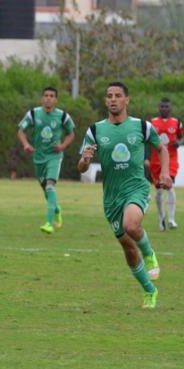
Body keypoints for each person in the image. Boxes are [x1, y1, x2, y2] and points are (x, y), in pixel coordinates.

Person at [78, 81, 171, 309]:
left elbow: (162, 148)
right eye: (109, 95)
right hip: (111, 198)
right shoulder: (95, 130)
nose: (113, 99)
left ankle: (149, 254)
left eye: (118, 95)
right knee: (128, 247)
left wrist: (166, 173)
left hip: (136, 188)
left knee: (131, 225)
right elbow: (80, 167)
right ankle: (150, 290)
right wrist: (85, 160)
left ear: (126, 100)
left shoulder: (142, 127)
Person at [17, 87, 76, 234]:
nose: (48, 98)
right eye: (46, 95)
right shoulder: (33, 114)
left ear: (56, 100)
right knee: (46, 191)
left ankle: (49, 224)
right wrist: (26, 144)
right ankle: (56, 209)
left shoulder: (63, 116)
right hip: (39, 158)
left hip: (54, 157)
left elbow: (71, 134)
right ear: (42, 98)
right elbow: (20, 131)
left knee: (50, 187)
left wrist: (62, 146)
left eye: (51, 96)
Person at [148, 98, 183, 231]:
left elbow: (181, 137)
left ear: (170, 108)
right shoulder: (152, 123)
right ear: (159, 108)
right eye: (162, 106)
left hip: (171, 160)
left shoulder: (176, 122)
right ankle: (161, 217)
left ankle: (171, 220)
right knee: (158, 191)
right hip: (156, 162)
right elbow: (146, 139)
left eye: (166, 106)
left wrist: (179, 143)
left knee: (170, 186)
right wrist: (146, 157)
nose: (164, 109)